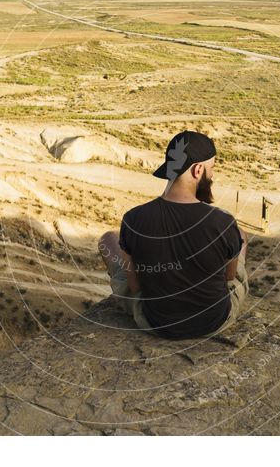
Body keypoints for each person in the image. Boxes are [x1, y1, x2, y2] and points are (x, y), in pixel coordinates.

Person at [98, 130, 249, 340]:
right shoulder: (223, 222)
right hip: (213, 322)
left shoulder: (133, 219)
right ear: (197, 170)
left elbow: (134, 286)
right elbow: (229, 277)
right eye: (211, 168)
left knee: (108, 239)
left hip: (154, 323)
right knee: (239, 235)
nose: (212, 175)